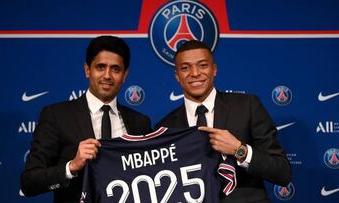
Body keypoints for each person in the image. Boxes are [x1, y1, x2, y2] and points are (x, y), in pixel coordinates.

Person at [155, 40, 291, 203]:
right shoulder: (164, 128)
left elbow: (282, 173)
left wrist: (239, 150)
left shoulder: (247, 106)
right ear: (177, 76)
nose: (195, 73)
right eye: (185, 68)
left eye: (203, 65)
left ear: (214, 70)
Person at [21, 35, 152, 203]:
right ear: (87, 70)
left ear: (125, 75)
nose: (107, 75)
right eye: (100, 67)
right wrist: (72, 167)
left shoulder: (140, 123)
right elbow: (29, 182)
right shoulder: (56, 116)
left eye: (116, 69)